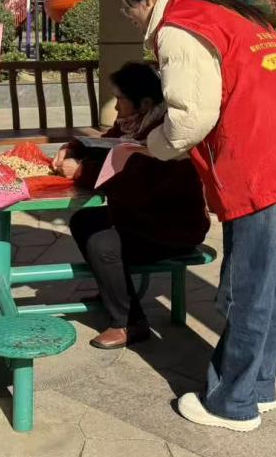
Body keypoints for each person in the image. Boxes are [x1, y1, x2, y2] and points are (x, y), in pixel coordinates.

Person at [119, 0, 276, 432]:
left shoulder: (178, 28)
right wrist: (162, 117)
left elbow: (193, 118)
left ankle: (233, 402)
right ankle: (260, 385)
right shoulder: (228, 13)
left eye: (129, 8)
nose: (132, 18)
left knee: (246, 289)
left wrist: (151, 145)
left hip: (261, 164)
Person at [54, 62, 208, 350]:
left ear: (145, 103)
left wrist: (80, 172)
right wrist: (74, 147)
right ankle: (112, 292)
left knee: (102, 243)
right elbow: (106, 143)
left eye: (120, 99)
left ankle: (128, 322)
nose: (115, 107)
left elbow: (131, 181)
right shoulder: (134, 123)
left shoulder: (165, 132)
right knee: (84, 220)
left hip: (171, 229)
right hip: (142, 218)